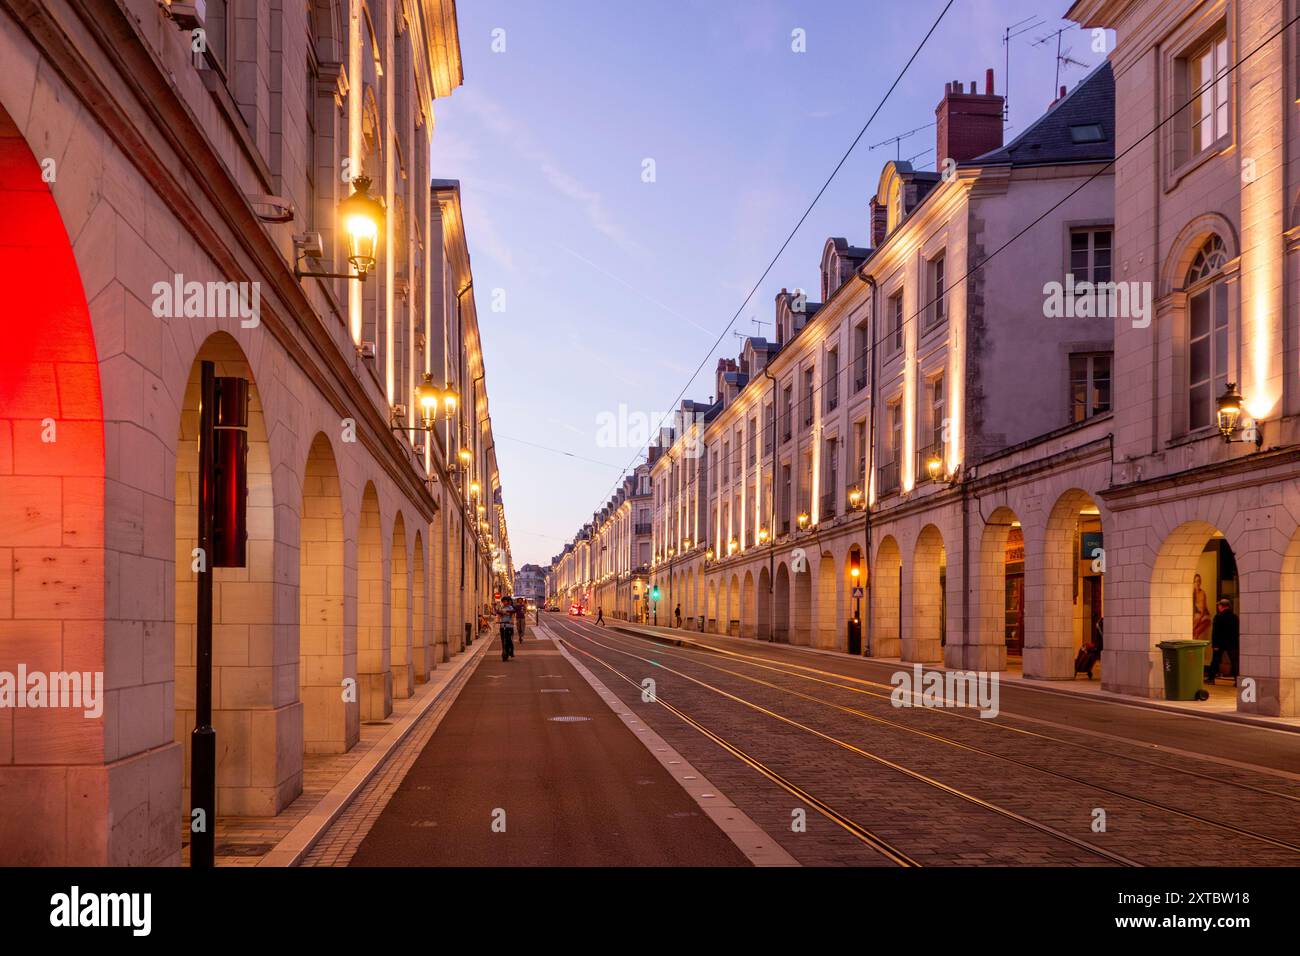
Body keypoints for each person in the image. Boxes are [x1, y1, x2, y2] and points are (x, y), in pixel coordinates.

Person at [1207, 597, 1239, 685]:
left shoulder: (1218, 616)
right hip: (1233, 643)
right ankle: (1238, 681)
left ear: (1222, 606)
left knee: (1215, 661)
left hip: (1220, 643)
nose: (1218, 607)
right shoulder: (1235, 617)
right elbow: (1237, 631)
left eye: (1219, 605)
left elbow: (1215, 632)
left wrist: (1215, 644)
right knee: (1235, 661)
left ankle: (1211, 678)